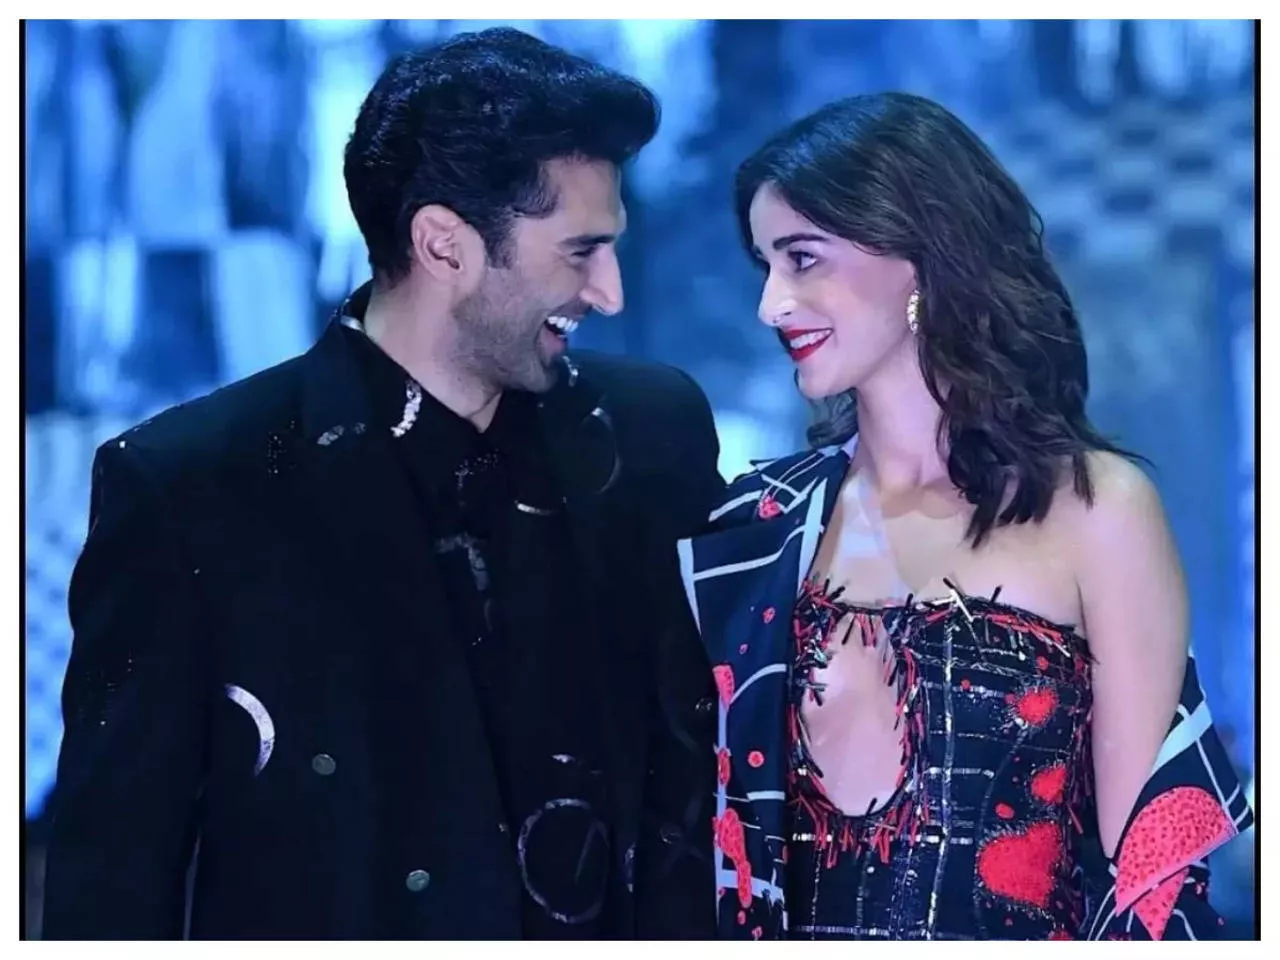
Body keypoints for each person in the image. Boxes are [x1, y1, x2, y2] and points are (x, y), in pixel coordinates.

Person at [43, 27, 723, 940]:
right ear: (444, 245)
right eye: (580, 252)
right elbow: (113, 886)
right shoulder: (192, 489)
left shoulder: (651, 433)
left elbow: (705, 771)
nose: (610, 293)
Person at [675, 93, 1252, 940]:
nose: (771, 304)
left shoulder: (1098, 510)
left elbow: (1147, 894)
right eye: (764, 266)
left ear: (917, 253)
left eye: (801, 259)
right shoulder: (760, 526)